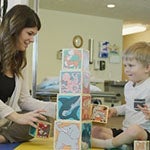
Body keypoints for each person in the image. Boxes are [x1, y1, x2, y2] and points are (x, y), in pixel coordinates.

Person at [0, 5, 56, 143]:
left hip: (3, 122)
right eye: (29, 33)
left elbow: (24, 100)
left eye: (34, 35)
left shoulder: (19, 62)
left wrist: (60, 108)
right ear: (15, 29)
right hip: (8, 118)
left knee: (42, 118)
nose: (32, 40)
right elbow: (14, 115)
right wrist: (15, 116)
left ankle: (2, 137)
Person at [92, 41, 150, 148]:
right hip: (126, 131)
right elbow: (129, 106)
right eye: (125, 66)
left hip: (144, 133)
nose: (127, 70)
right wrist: (115, 110)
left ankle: (110, 144)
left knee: (134, 130)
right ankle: (121, 144)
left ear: (147, 68)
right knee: (96, 131)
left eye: (131, 66)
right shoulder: (128, 86)